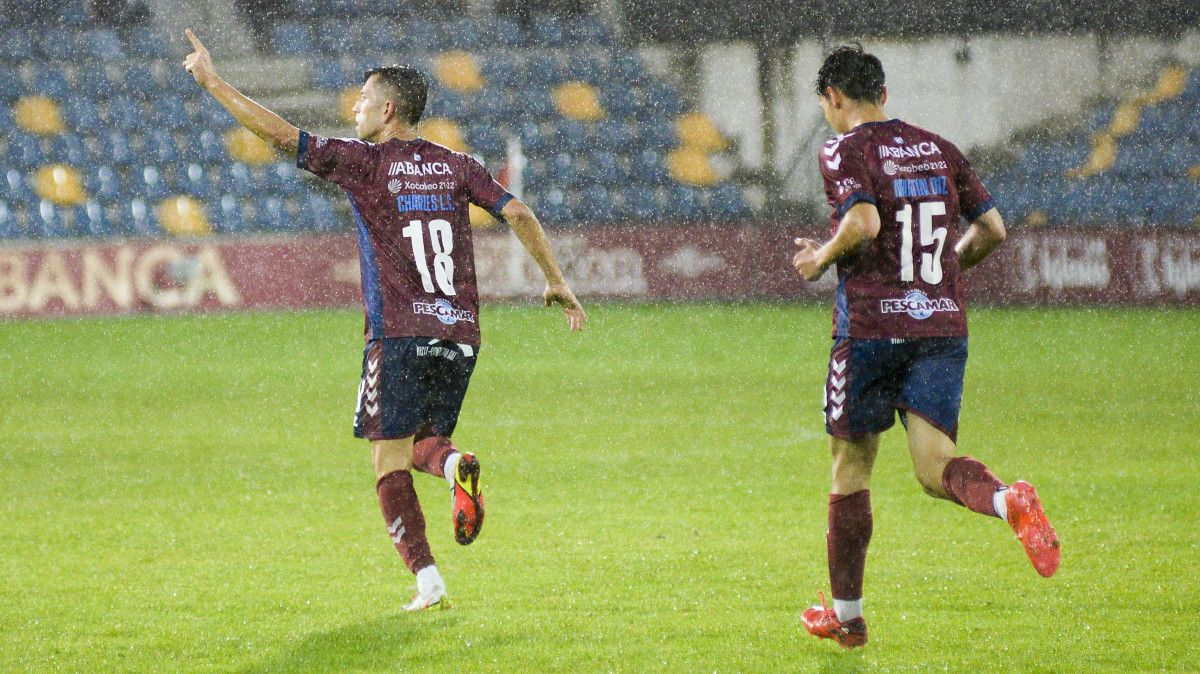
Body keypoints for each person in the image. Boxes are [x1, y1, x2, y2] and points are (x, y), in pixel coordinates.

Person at [182, 29, 586, 611]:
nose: (354, 108)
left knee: (385, 461)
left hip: (397, 332)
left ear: (388, 109)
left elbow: (277, 134)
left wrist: (214, 82)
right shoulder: (457, 165)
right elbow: (516, 210)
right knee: (425, 441)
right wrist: (555, 278)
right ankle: (453, 466)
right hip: (459, 334)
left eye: (364, 99)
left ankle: (428, 582)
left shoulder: (365, 163)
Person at [791, 44, 1059, 649]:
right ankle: (1005, 499)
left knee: (851, 468)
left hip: (867, 329)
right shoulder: (938, 147)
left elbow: (862, 225)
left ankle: (848, 618)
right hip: (939, 328)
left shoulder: (843, 149)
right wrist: (943, 276)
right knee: (935, 468)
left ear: (833, 98)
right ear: (883, 94)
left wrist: (818, 260)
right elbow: (993, 229)